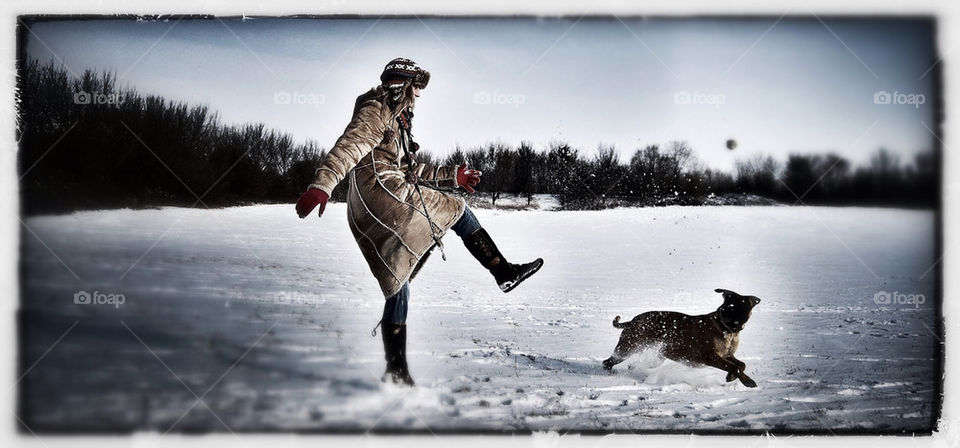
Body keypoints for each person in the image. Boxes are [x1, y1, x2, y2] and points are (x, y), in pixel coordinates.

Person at [295, 58, 543, 386]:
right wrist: (322, 185)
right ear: (405, 85)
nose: (419, 96)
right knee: (457, 209)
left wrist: (451, 174)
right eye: (417, 88)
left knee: (399, 282)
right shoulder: (378, 107)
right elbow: (351, 145)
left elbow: (413, 170)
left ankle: (396, 371)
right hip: (381, 193)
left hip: (368, 205)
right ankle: (503, 271)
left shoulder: (398, 121)